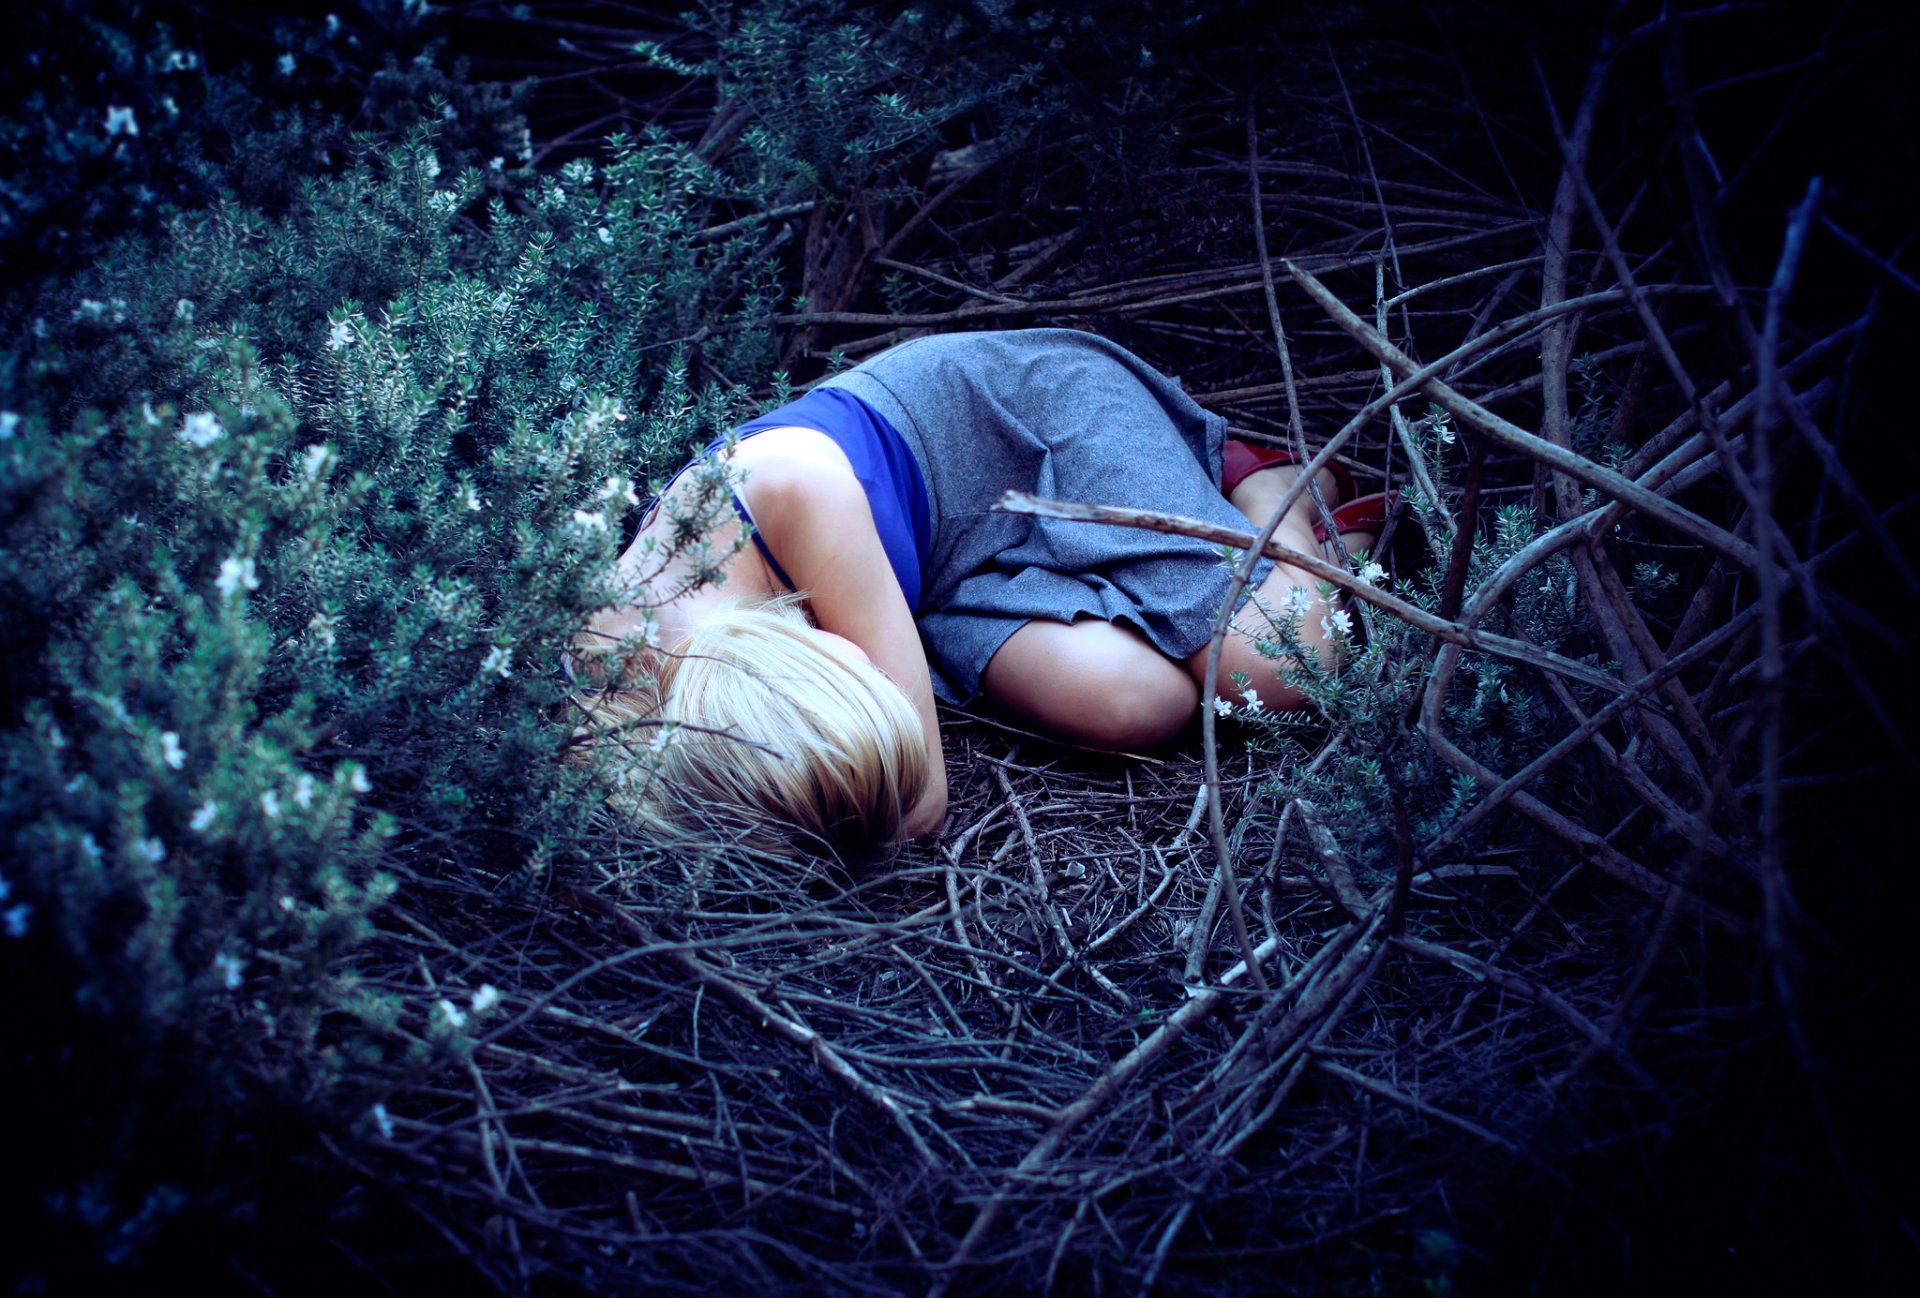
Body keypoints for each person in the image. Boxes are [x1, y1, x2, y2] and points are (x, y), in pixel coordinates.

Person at [569, 328, 1383, 861]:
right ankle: (1139, 571)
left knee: (1285, 667)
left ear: (807, 639)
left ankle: (1268, 493)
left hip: (1018, 425)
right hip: (945, 575)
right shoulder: (604, 678)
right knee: (1133, 705)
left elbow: (919, 803)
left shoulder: (791, 484)